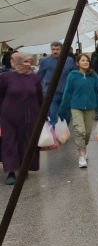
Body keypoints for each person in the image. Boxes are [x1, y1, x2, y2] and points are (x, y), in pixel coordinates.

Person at [0, 52, 43, 185]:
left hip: (31, 116)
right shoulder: (5, 77)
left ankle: (24, 169)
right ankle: (11, 171)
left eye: (27, 62)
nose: (26, 64)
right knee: (10, 143)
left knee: (27, 142)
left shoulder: (35, 79)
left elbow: (40, 98)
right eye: (22, 62)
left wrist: (44, 115)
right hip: (9, 117)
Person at [59, 54, 98, 168]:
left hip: (91, 107)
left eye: (87, 60)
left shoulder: (94, 76)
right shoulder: (72, 76)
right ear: (77, 63)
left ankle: (83, 148)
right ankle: (81, 155)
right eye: (83, 60)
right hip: (76, 107)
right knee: (80, 131)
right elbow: (67, 93)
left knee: (87, 133)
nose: (86, 62)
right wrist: (62, 111)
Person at [37, 42, 76, 126]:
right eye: (53, 49)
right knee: (52, 115)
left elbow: (74, 75)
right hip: (50, 93)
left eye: (57, 49)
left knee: (66, 116)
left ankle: (63, 133)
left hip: (65, 92)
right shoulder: (45, 61)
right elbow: (39, 76)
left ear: (62, 50)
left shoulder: (69, 60)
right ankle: (54, 136)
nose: (55, 51)